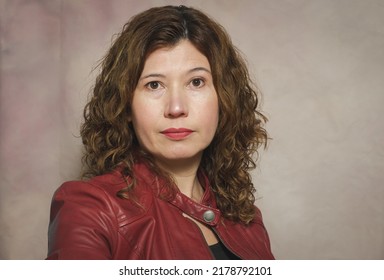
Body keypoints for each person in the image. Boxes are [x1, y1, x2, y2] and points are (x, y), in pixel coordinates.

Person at [47, 5, 274, 260]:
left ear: (223, 98)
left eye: (196, 82)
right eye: (154, 85)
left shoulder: (247, 218)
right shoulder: (89, 209)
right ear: (126, 105)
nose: (176, 108)